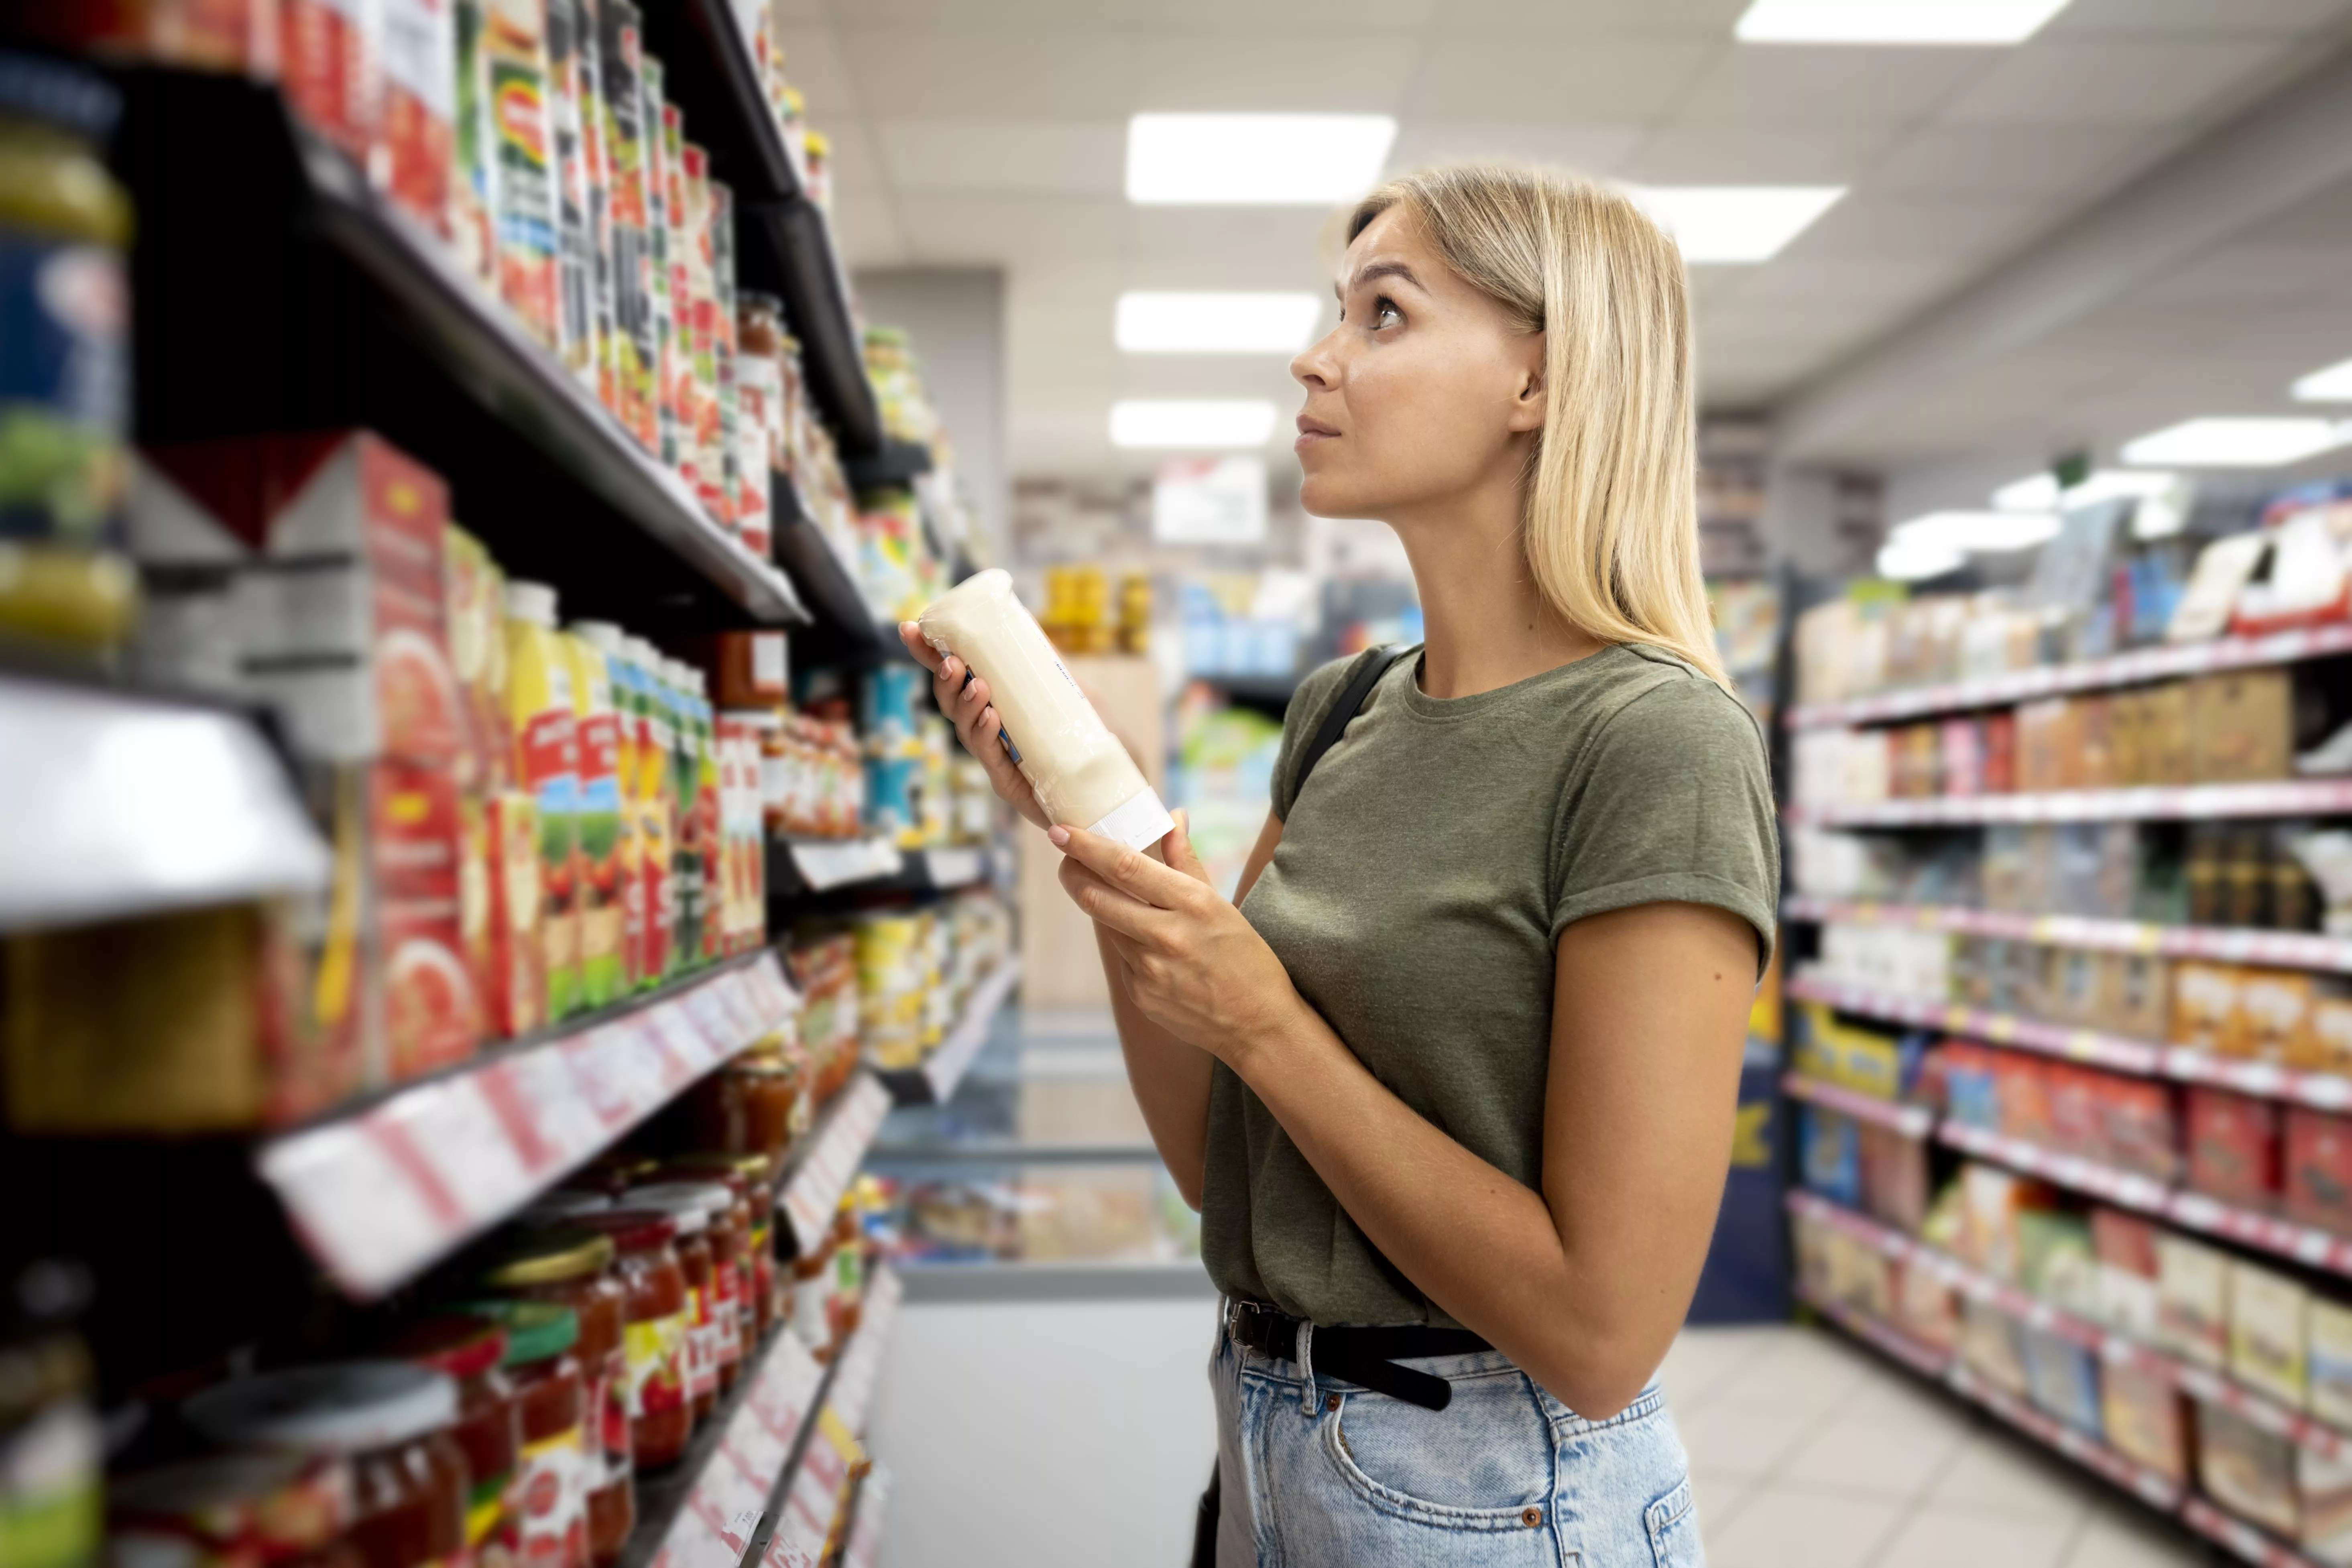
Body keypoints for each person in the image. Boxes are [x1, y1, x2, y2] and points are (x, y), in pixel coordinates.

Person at [899, 163, 1776, 1567]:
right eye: (1335, 312)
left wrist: (1264, 1016)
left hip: (1488, 1487)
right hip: (1263, 1432)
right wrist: (1116, 830)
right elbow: (1217, 1159)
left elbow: (1602, 1331)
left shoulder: (1656, 742)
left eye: (1383, 314)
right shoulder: (1346, 707)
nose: (1313, 359)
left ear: (1538, 382)